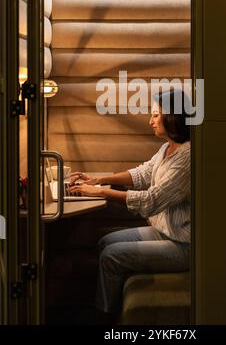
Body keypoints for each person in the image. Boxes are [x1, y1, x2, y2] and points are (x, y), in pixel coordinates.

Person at [68, 89, 191, 317]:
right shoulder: (167, 148)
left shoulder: (187, 157)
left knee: (111, 255)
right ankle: (114, 302)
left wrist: (101, 192)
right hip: (163, 230)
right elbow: (142, 174)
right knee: (105, 242)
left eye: (155, 115)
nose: (150, 121)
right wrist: (100, 179)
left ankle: (105, 316)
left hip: (183, 244)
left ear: (172, 116)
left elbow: (152, 200)